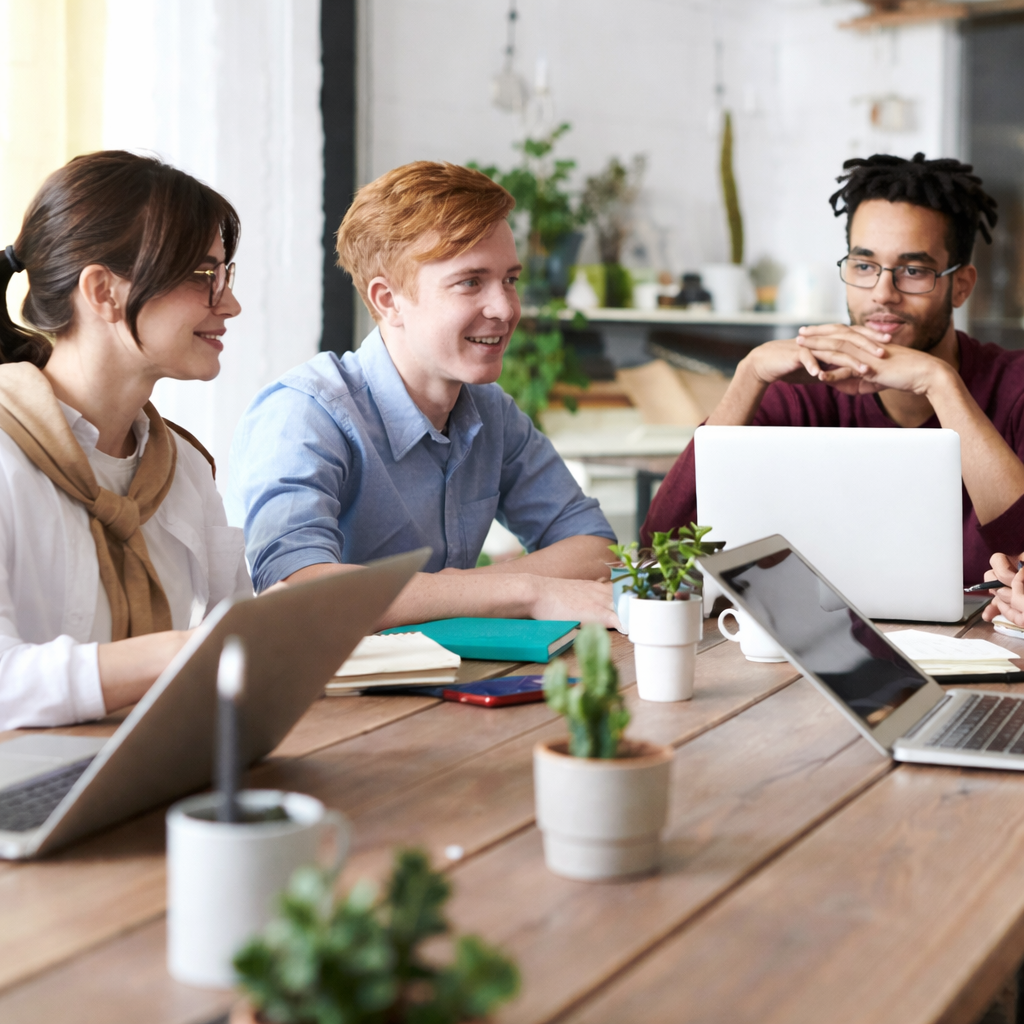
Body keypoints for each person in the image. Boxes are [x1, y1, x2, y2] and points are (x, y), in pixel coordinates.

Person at [229, 161, 619, 628]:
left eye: (510, 280)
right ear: (388, 300)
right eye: (470, 282)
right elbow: (299, 593)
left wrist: (465, 592)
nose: (505, 308)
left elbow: (596, 548)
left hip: (462, 670)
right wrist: (525, 591)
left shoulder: (491, 412)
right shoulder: (303, 414)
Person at [643, 153, 1022, 587]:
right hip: (824, 630)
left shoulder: (1015, 388)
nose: (883, 293)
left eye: (913, 270)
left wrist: (939, 382)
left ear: (961, 286)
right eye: (864, 266)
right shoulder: (802, 389)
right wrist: (748, 376)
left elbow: (1021, 545)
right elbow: (663, 547)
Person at [0, 151, 250, 730]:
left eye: (225, 275)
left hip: (163, 766)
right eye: (203, 276)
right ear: (103, 292)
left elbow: (238, 642)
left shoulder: (183, 468)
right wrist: (174, 654)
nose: (230, 304)